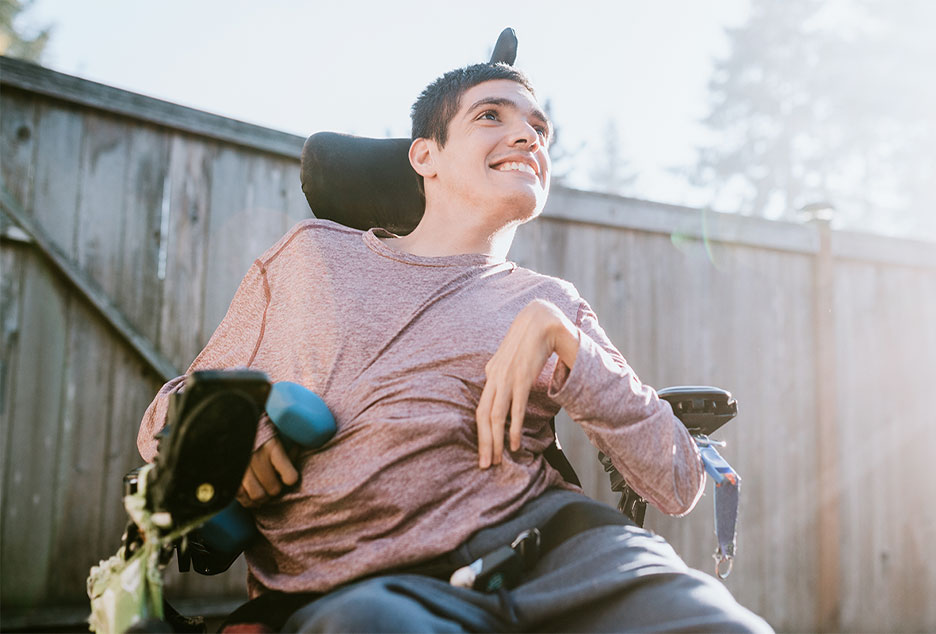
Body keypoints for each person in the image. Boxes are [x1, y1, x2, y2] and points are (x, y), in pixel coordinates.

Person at [139, 63, 771, 632]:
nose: (529, 137)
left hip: (562, 553)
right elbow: (163, 417)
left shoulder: (551, 300)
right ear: (424, 155)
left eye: (539, 128)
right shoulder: (312, 259)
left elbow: (680, 480)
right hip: (366, 588)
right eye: (491, 115)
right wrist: (231, 430)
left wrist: (567, 342)